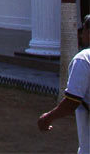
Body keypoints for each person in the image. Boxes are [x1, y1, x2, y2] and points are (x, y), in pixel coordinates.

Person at [38, 14, 90, 154]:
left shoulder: (84, 59)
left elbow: (72, 101)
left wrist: (48, 118)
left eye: (83, 30)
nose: (81, 35)